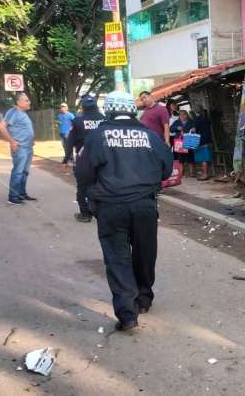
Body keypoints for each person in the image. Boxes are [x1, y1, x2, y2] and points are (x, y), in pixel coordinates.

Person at [76, 90, 173, 332]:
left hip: (110, 207)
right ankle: (143, 298)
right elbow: (166, 168)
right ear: (133, 109)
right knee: (144, 253)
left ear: (108, 110)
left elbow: (84, 173)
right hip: (144, 205)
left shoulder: (97, 137)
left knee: (117, 258)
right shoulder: (150, 136)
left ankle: (128, 315)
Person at [64, 95, 106, 222]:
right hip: (103, 159)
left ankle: (85, 214)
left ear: (82, 107)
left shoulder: (77, 121)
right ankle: (101, 213)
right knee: (101, 185)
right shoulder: (104, 120)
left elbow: (69, 142)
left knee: (83, 187)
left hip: (84, 160)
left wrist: (66, 159)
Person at [0, 92, 37, 205]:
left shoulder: (22, 113)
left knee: (24, 172)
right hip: (20, 148)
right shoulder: (13, 112)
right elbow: (1, 126)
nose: (29, 102)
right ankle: (13, 197)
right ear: (19, 102)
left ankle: (21, 194)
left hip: (28, 147)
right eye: (26, 100)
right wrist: (12, 141)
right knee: (18, 172)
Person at [170, 109, 196, 177]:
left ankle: (192, 173)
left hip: (189, 140)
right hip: (179, 141)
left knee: (190, 156)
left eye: (184, 114)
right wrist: (177, 128)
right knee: (180, 157)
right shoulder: (177, 122)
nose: (182, 116)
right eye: (180, 115)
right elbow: (171, 129)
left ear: (187, 115)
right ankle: (181, 172)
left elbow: (195, 128)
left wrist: (194, 129)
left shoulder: (191, 122)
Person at [193, 110, 214, 181]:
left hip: (201, 141)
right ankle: (206, 173)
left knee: (203, 159)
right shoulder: (207, 120)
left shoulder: (197, 120)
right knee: (206, 158)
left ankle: (205, 174)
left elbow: (194, 130)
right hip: (208, 140)